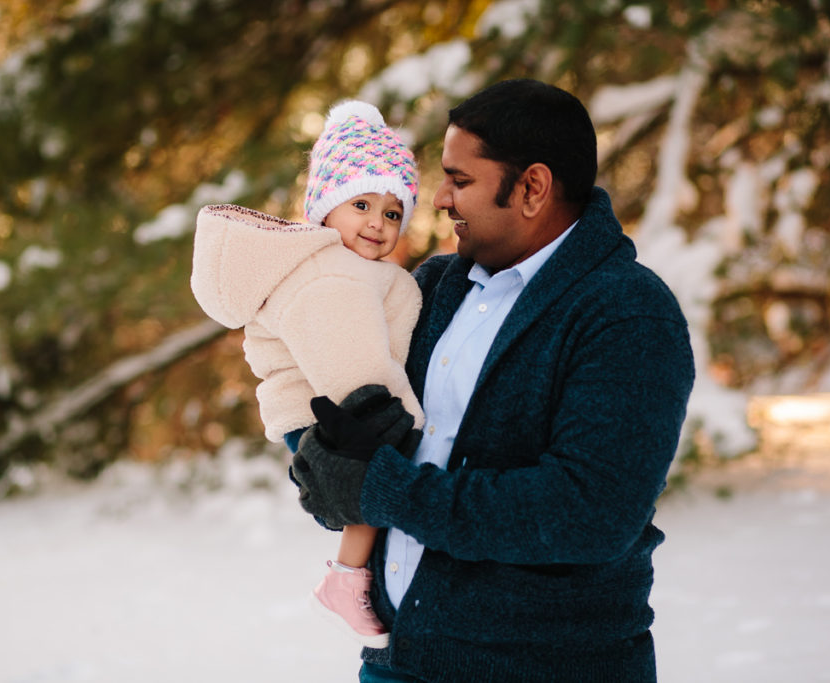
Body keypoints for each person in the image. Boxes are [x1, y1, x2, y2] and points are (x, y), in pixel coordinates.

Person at [290, 79, 696, 682]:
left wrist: (384, 489)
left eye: (460, 179)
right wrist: (326, 463)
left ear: (531, 187)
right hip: (402, 660)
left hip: (547, 669)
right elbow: (351, 441)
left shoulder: (626, 313)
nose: (440, 198)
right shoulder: (433, 288)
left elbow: (587, 514)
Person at [190, 101, 425, 649]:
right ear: (324, 207)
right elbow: (355, 372)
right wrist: (417, 427)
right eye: (361, 203)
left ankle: (355, 573)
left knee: (374, 471)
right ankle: (346, 580)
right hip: (329, 412)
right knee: (373, 472)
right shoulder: (329, 274)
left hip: (328, 404)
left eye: (393, 213)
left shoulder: (351, 269)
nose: (377, 222)